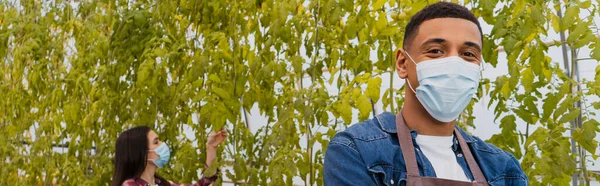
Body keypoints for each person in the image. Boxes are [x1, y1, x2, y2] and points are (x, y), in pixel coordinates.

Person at [323, 2, 527, 186]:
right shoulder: (358, 151)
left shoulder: (503, 169)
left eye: (468, 54)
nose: (454, 64)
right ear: (403, 63)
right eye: (436, 51)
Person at [112, 126, 227, 186]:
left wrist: (211, 148)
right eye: (156, 142)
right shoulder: (130, 185)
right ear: (142, 153)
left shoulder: (161, 183)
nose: (163, 145)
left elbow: (203, 183)